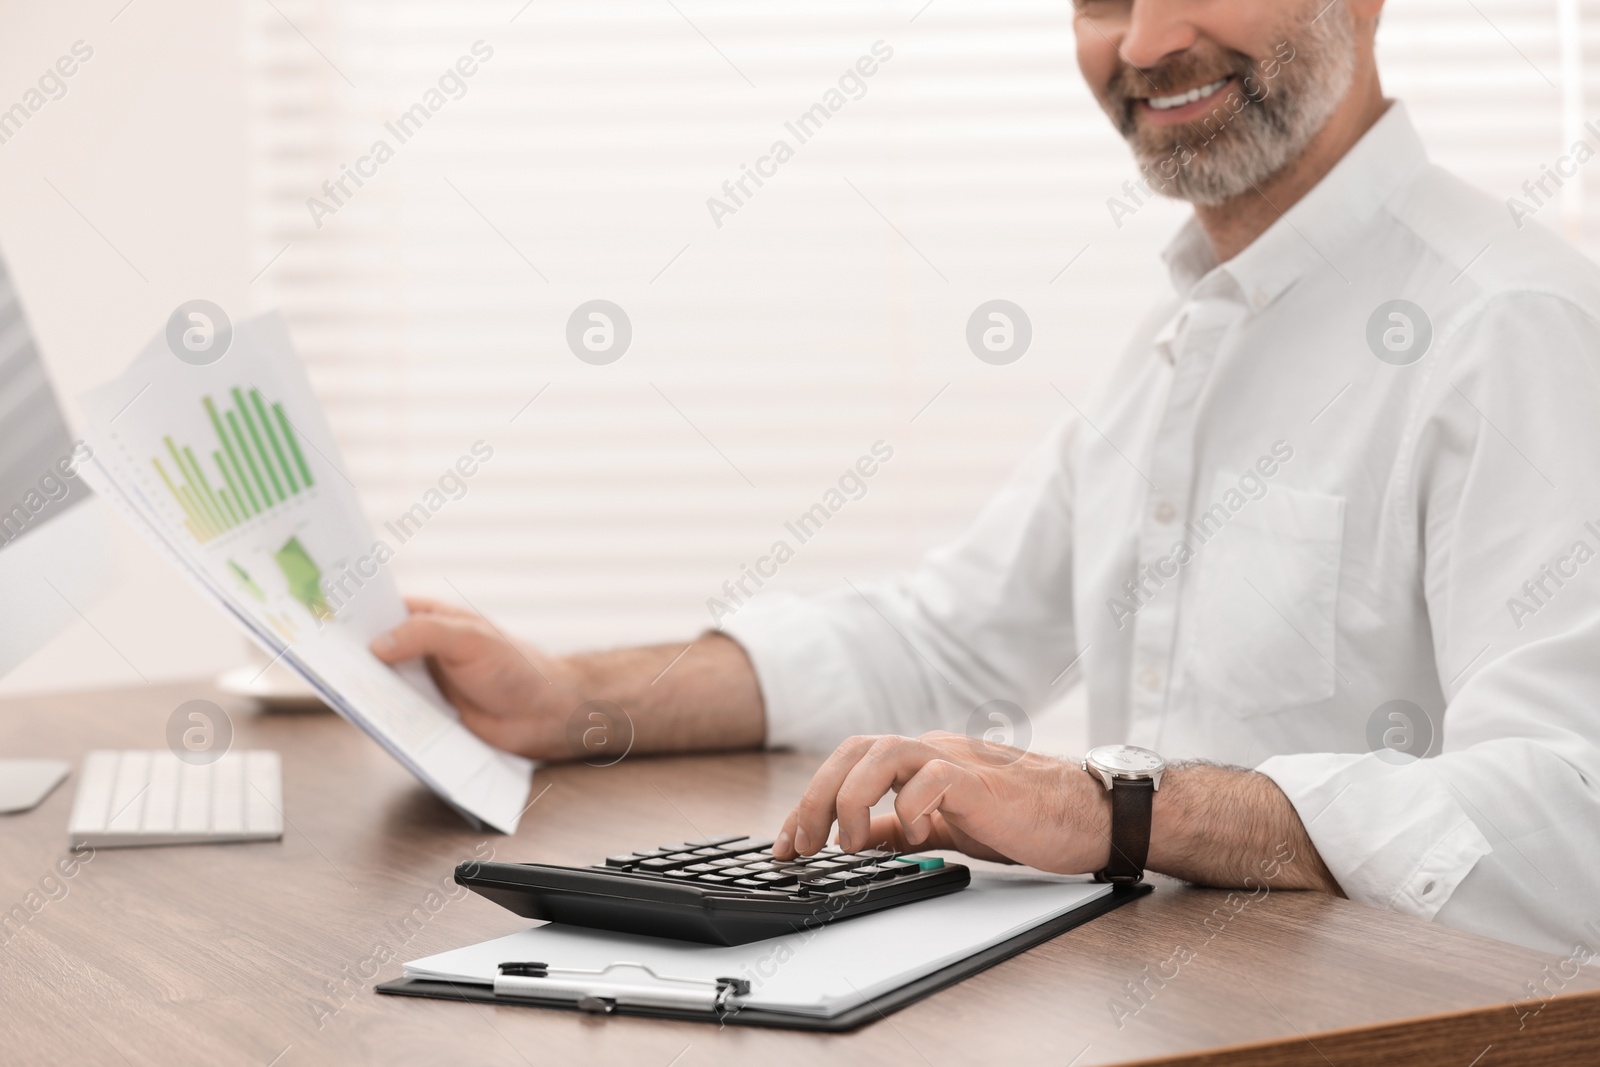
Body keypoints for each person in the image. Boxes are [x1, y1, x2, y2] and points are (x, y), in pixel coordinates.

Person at [372, 0, 1600, 956]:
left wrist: (1121, 810)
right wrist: (567, 697)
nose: (1149, 39)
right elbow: (939, 639)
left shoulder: (1512, 326)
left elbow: (1571, 820)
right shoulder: (1184, 343)